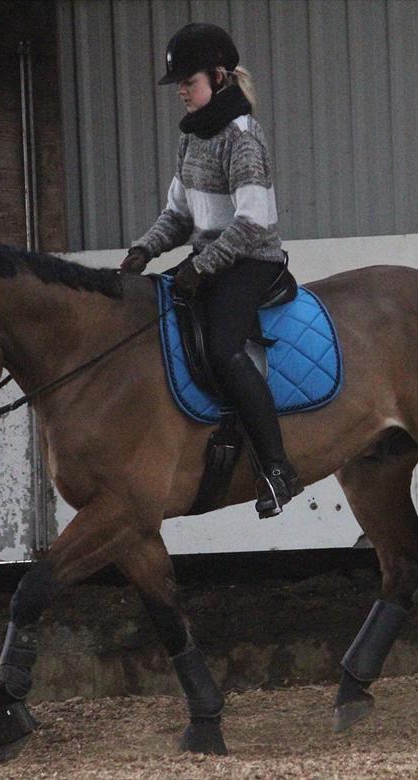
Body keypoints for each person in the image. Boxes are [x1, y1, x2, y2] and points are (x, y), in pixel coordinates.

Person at [120, 22, 302, 518]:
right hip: (211, 261)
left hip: (250, 260)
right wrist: (144, 251)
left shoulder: (242, 139)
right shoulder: (192, 138)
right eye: (178, 83)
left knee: (222, 348)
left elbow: (251, 223)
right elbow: (179, 216)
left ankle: (278, 468)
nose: (181, 90)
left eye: (189, 81)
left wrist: (202, 267)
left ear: (218, 78)